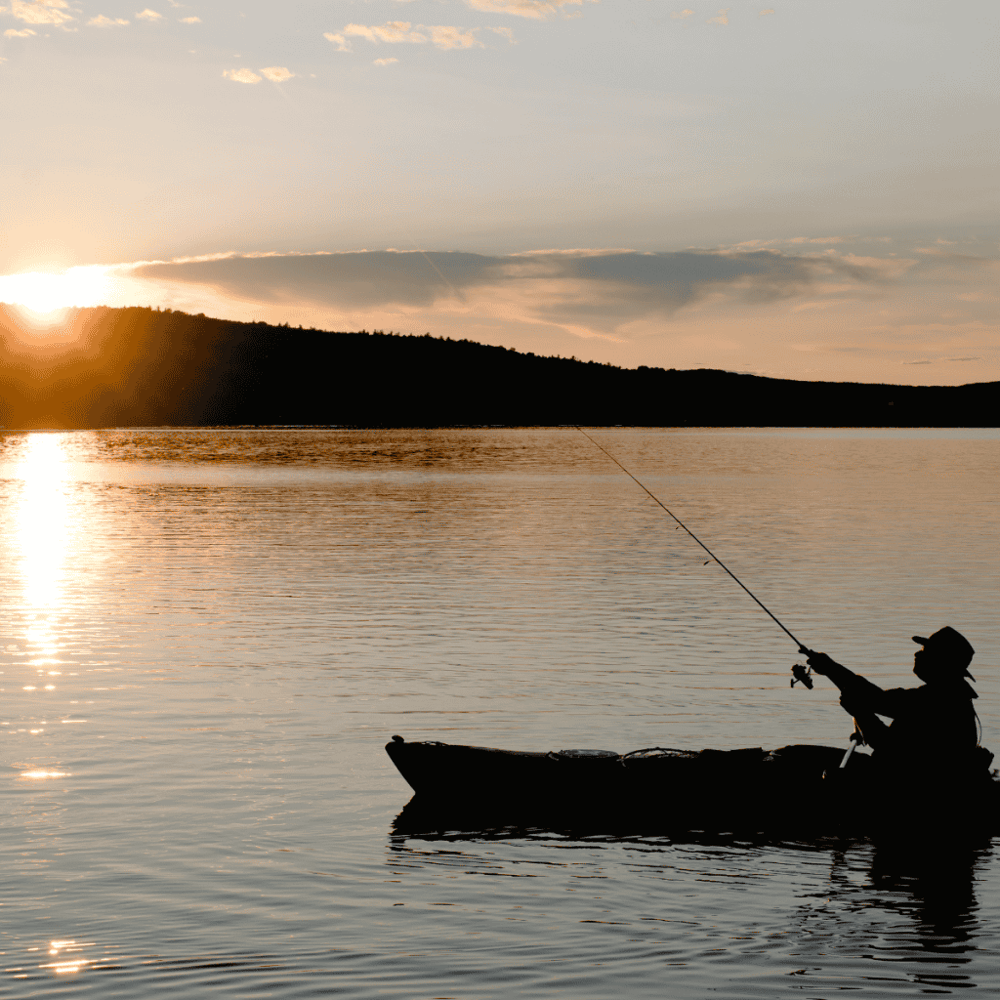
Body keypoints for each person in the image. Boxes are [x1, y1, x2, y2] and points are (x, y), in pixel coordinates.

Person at [806, 627, 990, 777]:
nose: (918, 654)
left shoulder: (933, 700)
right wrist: (831, 669)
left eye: (926, 652)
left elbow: (887, 745)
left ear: (940, 663)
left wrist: (860, 713)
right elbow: (876, 699)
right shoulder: (950, 696)